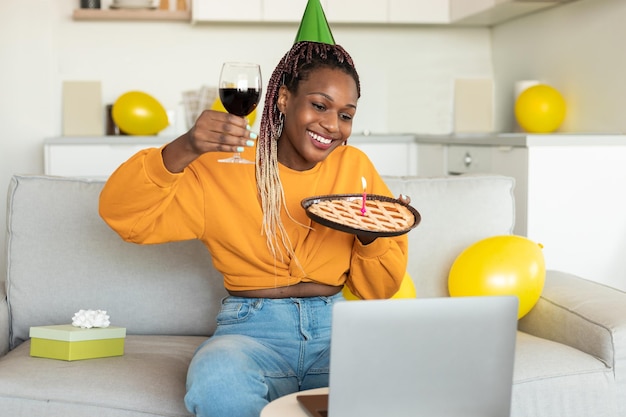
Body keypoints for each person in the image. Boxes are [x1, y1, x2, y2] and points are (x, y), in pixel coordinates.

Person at [99, 1, 409, 416]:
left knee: (401, 380)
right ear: (282, 99)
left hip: (339, 331)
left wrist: (371, 237)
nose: (333, 125)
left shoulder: (356, 169)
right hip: (252, 331)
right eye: (319, 105)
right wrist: (185, 146)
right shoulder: (222, 167)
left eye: (346, 114)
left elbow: (379, 290)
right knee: (217, 380)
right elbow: (125, 217)